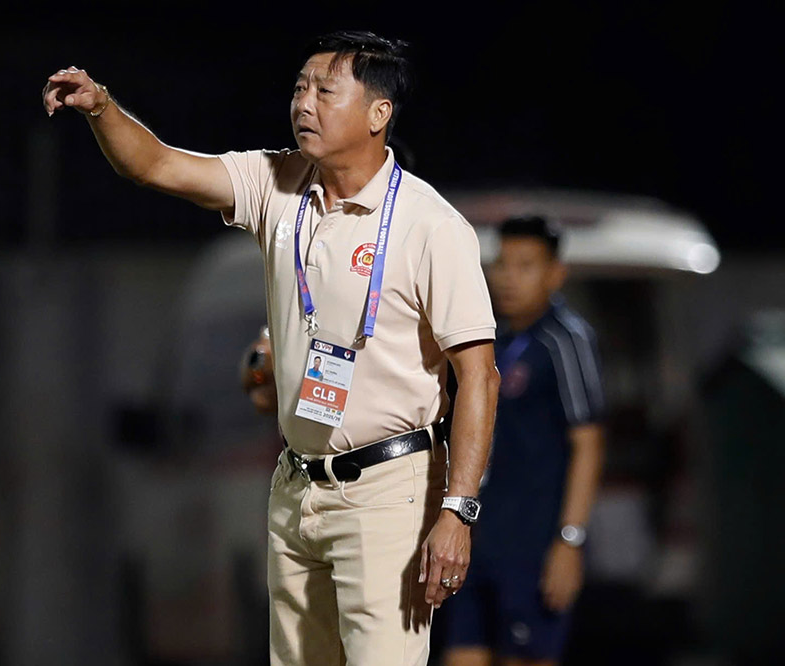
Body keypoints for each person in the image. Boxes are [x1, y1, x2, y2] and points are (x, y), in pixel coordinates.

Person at [42, 30, 500, 666]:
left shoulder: (432, 226)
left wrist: (457, 511)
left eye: (325, 91)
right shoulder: (275, 181)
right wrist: (101, 106)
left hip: (387, 491)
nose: (303, 103)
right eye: (299, 88)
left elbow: (479, 377)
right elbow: (155, 165)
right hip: (296, 485)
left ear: (378, 113)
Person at [438, 215, 607, 666]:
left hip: (534, 543)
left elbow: (588, 443)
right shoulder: (486, 337)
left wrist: (569, 541)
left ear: (556, 273)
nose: (509, 278)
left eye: (526, 266)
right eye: (502, 264)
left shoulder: (566, 339)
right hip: (477, 535)